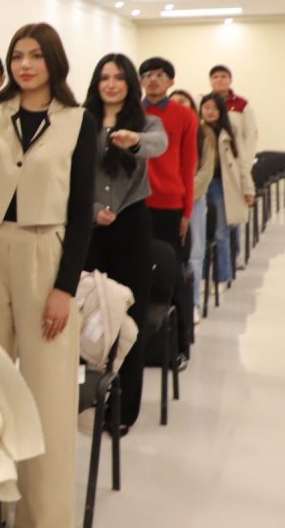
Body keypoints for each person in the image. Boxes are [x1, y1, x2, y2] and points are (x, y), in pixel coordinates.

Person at [0, 22, 96, 528]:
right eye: (17, 55)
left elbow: (82, 211)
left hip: (47, 251)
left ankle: (43, 518)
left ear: (53, 62)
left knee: (48, 394)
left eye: (35, 55)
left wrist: (65, 288)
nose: (24, 64)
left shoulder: (78, 121)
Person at [83, 54, 167, 430]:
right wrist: (92, 210)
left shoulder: (146, 122)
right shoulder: (82, 121)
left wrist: (133, 142)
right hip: (88, 228)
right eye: (105, 77)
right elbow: (66, 175)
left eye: (119, 77)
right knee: (88, 316)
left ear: (130, 84)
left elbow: (158, 144)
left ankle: (122, 410)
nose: (111, 84)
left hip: (130, 227)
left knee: (128, 318)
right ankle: (87, 403)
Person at [138, 56, 198, 363]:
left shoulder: (184, 115)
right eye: (147, 74)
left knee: (173, 275)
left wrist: (187, 212)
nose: (153, 79)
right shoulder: (132, 112)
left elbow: (189, 165)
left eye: (160, 75)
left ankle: (181, 345)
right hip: (134, 204)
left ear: (171, 81)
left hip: (169, 205)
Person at [201, 93, 256, 285]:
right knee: (202, 235)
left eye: (214, 108)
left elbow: (242, 163)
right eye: (206, 107)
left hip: (221, 185)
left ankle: (223, 276)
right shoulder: (197, 130)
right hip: (200, 185)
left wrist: (248, 189)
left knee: (220, 233)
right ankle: (202, 277)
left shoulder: (230, 132)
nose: (210, 112)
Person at [170, 89, 214, 318]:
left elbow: (205, 172)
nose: (179, 105)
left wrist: (185, 194)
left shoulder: (203, 133)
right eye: (174, 102)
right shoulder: (162, 129)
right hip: (168, 202)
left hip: (194, 201)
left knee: (195, 253)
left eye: (183, 102)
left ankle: (193, 305)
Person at [210, 65, 259, 269]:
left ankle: (234, 256)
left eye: (223, 76)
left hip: (234, 168)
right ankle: (219, 260)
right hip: (213, 169)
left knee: (233, 214)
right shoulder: (206, 103)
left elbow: (250, 136)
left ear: (230, 80)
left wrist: (244, 164)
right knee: (218, 219)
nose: (219, 80)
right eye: (215, 76)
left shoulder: (241, 105)